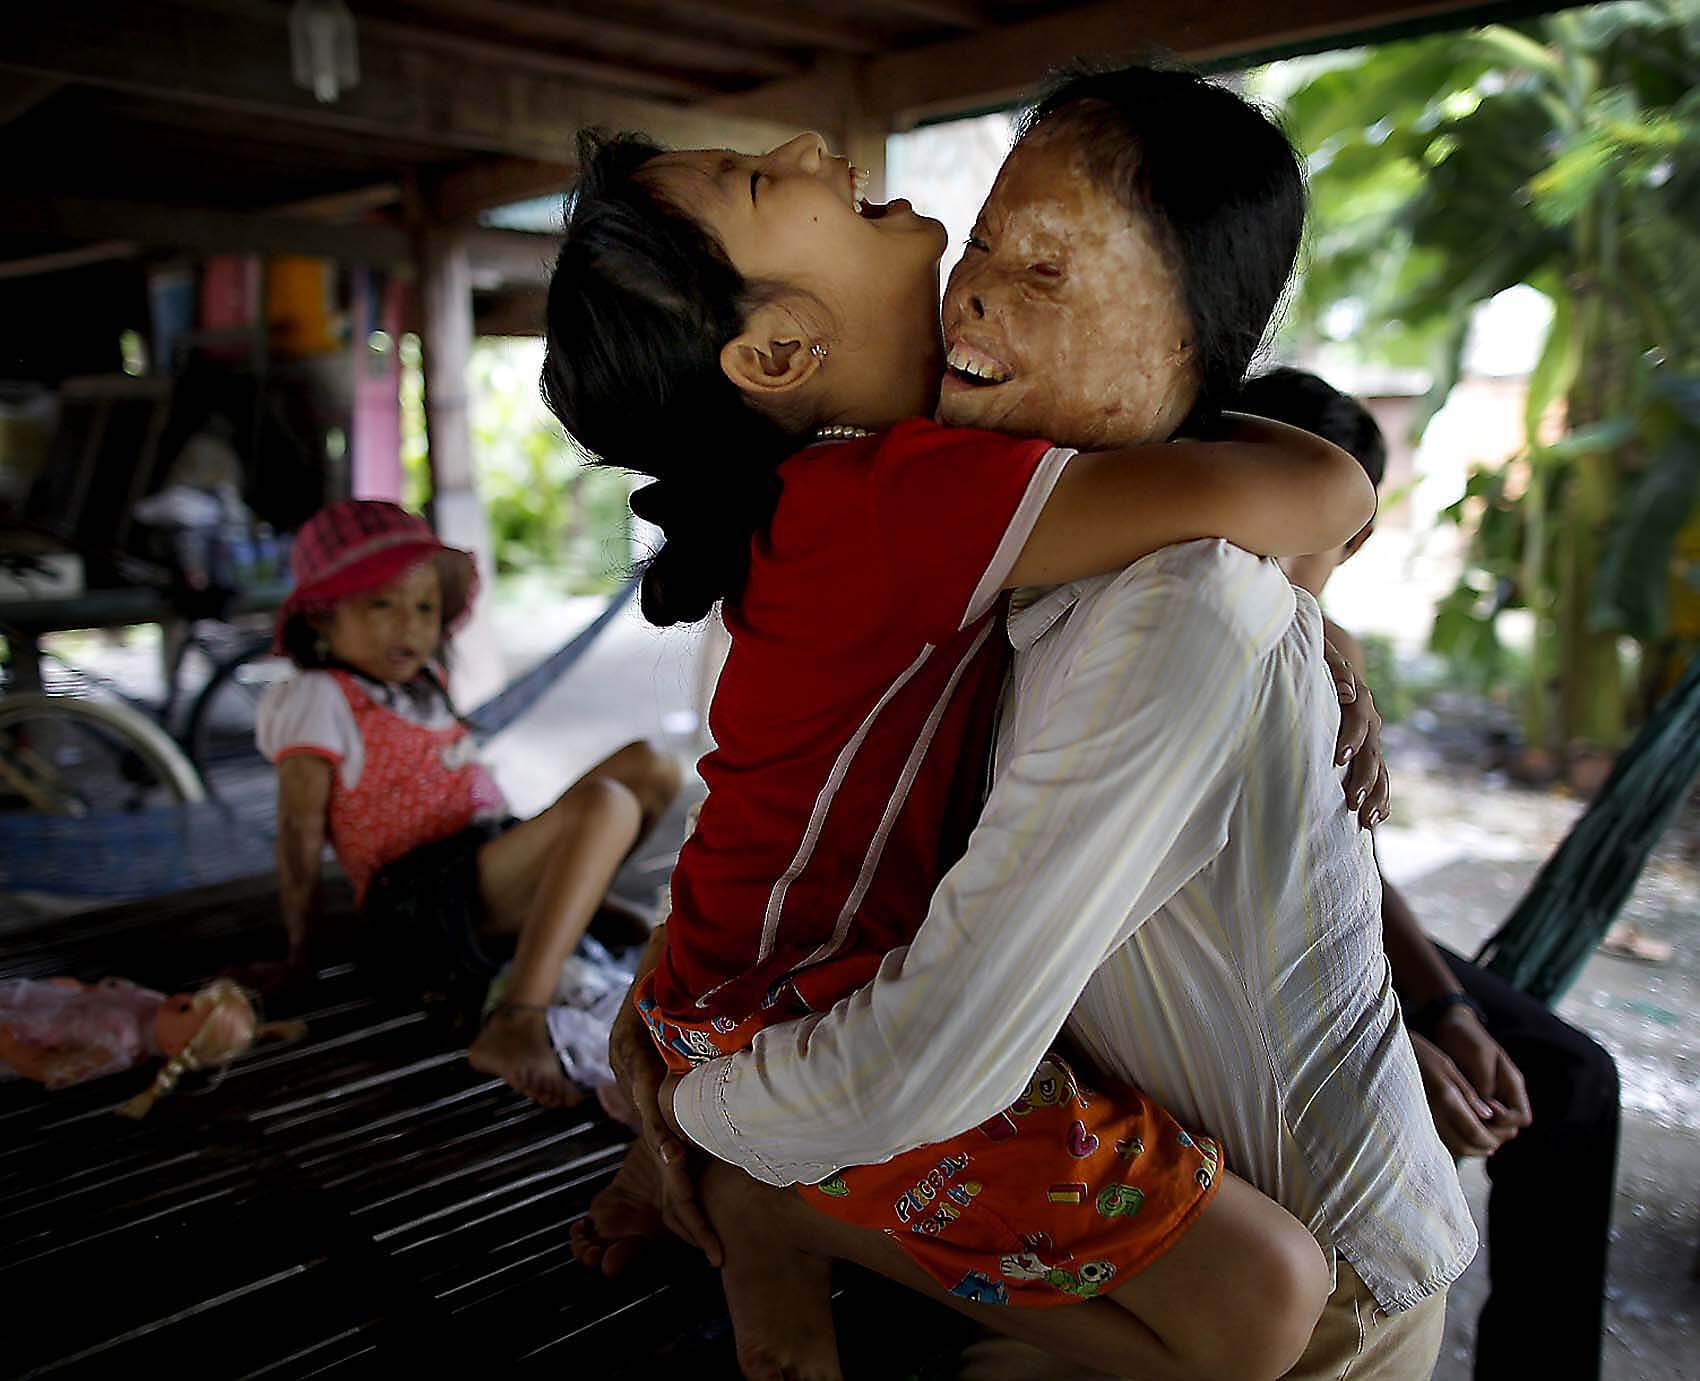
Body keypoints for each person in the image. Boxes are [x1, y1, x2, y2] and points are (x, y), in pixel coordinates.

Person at [605, 67, 1478, 1381]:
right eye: (986, 246)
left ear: (1190, 345)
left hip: (1323, 1293)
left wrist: (698, 1104)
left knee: (1256, 1305)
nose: (974, 292)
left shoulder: (1170, 609)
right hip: (1108, 1201)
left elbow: (919, 1059)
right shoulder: (967, 537)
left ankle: (783, 1213)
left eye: (1049, 273)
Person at [1240, 366, 1622, 1381]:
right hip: (1250, 957)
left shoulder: (1326, 654)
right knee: (1401, 1135)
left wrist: (1443, 1006)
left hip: (1337, 931)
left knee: (1571, 1078)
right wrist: (1384, 1037)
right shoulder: (1189, 632)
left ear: (1353, 533)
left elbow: (1350, 865)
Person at [255, 499, 680, 1107]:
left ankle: (570, 906)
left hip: (478, 866)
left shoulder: (421, 687)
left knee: (651, 764)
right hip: (419, 904)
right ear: (322, 620)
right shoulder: (319, 697)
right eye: (382, 604)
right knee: (606, 804)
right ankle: (516, 1018)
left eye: (424, 607)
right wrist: (301, 956)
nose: (409, 625)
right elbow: (298, 834)